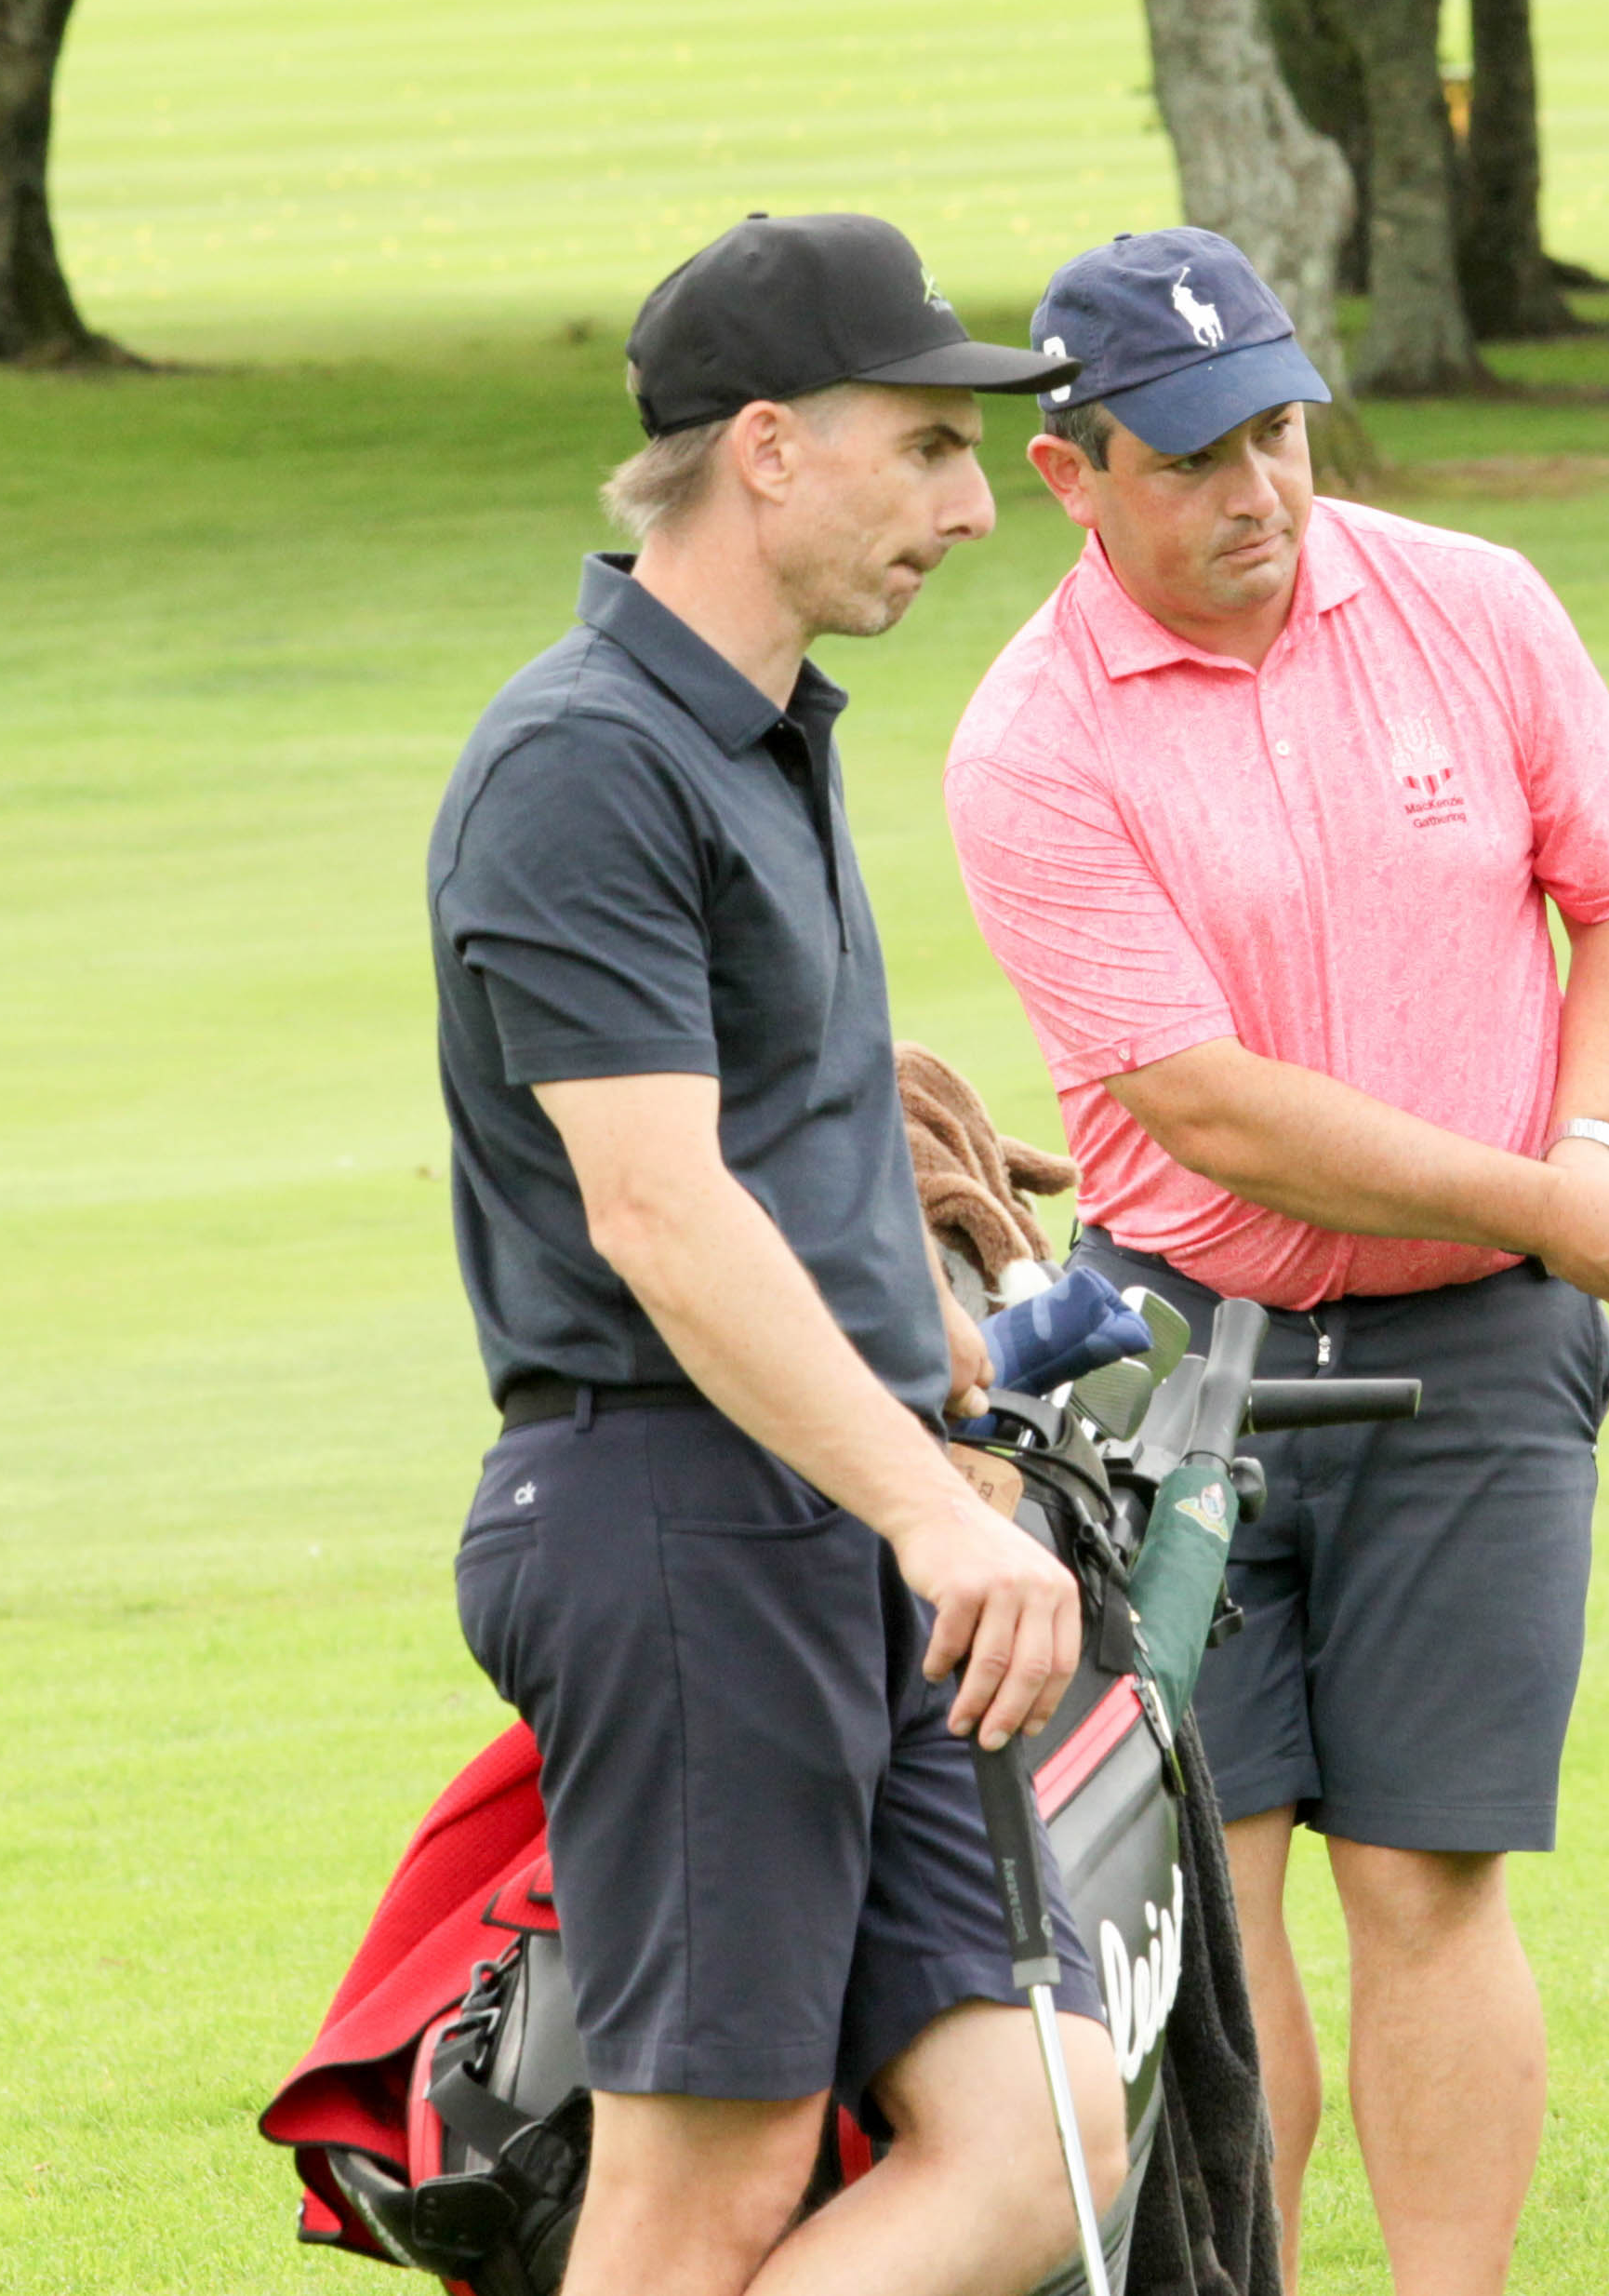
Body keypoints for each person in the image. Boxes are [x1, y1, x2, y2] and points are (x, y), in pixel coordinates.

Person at [945, 227, 1609, 2293]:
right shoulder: (1031, 742)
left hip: (1475, 1355)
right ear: (1071, 474)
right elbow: (1204, 1104)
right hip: (1177, 1362)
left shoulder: (1476, 603)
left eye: (1276, 434)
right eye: (1192, 457)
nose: (1257, 492)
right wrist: (1543, 1203)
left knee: (1430, 1877)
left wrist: (1590, 1144)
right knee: (1207, 1895)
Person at [428, 213, 1124, 2296]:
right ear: (765, 447)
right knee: (701, 2195)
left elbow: (761, 1157)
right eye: (927, 448)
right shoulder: (584, 759)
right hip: (681, 1523)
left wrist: (928, 1353)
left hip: (835, 1517)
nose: (973, 508)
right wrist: (932, 1508)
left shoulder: (757, 737)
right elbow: (653, 1208)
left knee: (1039, 2133)